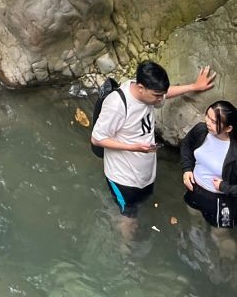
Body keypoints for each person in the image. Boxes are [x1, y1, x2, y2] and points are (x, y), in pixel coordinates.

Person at [91, 60, 217, 222]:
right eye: (157, 96)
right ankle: (125, 246)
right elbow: (97, 138)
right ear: (141, 88)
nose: (160, 100)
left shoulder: (144, 93)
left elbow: (164, 93)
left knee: (141, 207)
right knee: (129, 218)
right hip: (123, 179)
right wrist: (132, 147)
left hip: (145, 174)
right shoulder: (117, 104)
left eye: (161, 95)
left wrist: (194, 86)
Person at [181, 99, 237, 230]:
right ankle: (195, 248)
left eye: (213, 121)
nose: (207, 122)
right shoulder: (201, 130)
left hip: (222, 198)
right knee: (195, 222)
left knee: (220, 236)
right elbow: (186, 145)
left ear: (228, 128)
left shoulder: (234, 150)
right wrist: (187, 169)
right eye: (207, 116)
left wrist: (224, 187)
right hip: (194, 188)